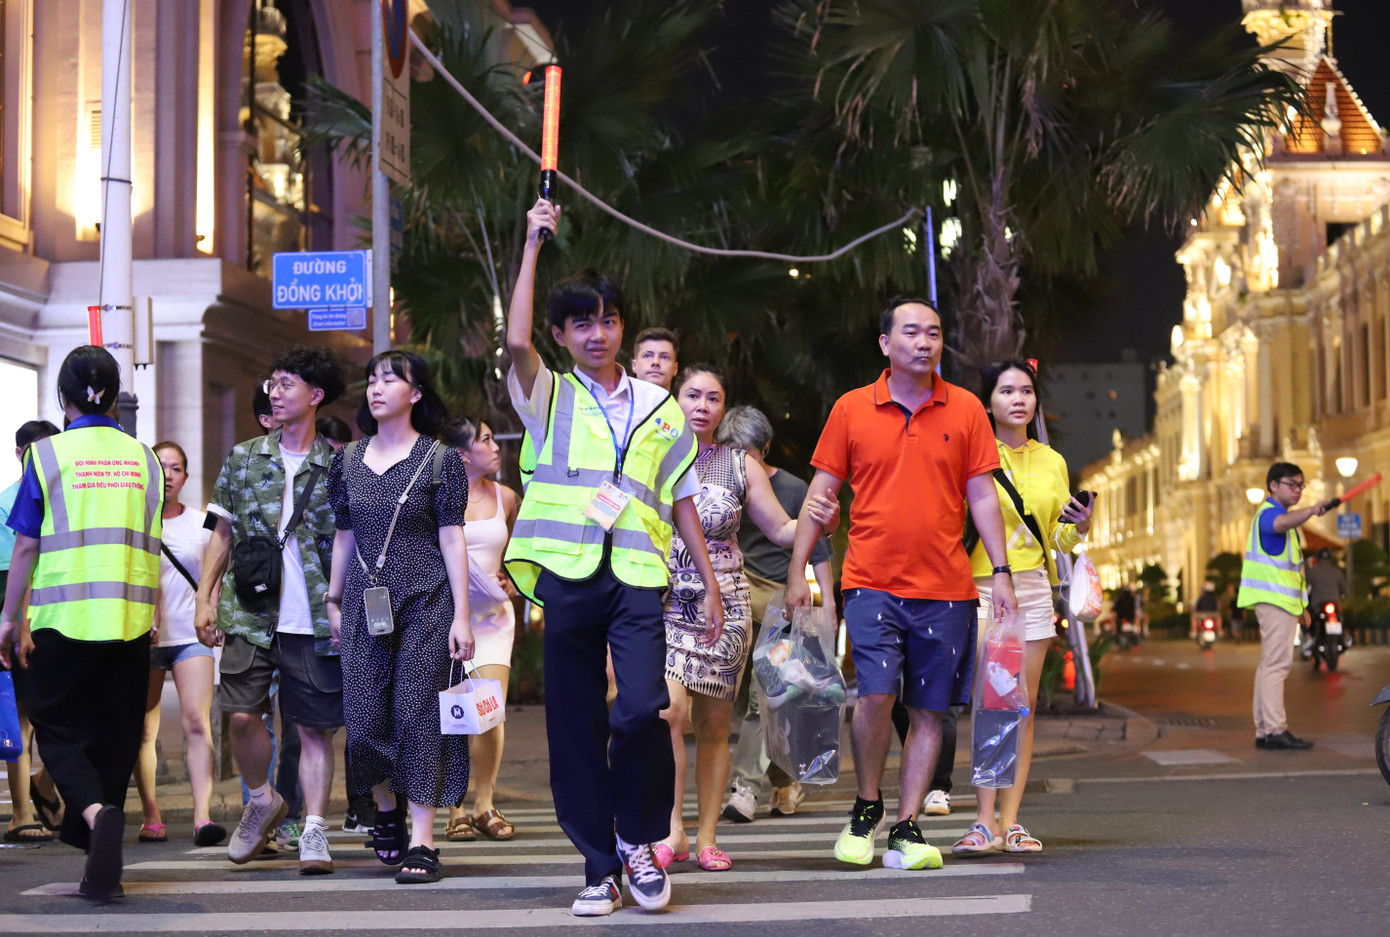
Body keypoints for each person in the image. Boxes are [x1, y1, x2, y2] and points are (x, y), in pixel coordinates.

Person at [503, 198, 722, 916]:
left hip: (637, 578)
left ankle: (638, 840)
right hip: (568, 576)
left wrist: (710, 583)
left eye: (609, 319)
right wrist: (533, 244)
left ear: (622, 326)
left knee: (641, 711)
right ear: (562, 334)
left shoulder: (661, 406)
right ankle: (598, 866)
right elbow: (512, 341)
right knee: (574, 725)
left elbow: (681, 495)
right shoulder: (549, 394)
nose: (598, 333)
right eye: (581, 322)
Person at [785, 297, 1017, 872]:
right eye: (911, 332)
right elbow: (821, 495)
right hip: (871, 581)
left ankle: (907, 827)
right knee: (876, 695)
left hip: (948, 588)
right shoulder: (851, 409)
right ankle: (867, 807)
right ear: (885, 344)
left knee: (929, 710)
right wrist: (797, 570)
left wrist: (1003, 570)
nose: (924, 342)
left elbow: (983, 495)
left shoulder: (965, 409)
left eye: (934, 333)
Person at [0, 346, 164, 900]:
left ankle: (94, 813)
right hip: (130, 619)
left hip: (62, 620)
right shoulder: (147, 459)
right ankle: (102, 867)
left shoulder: (45, 458)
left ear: (62, 399)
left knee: (60, 731)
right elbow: (151, 545)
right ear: (115, 397)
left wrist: (8, 617)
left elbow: (25, 547)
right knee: (116, 738)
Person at [657, 367, 836, 871]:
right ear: (676, 400)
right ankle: (673, 827)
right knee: (669, 713)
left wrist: (820, 517)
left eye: (713, 398)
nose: (702, 406)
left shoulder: (739, 464)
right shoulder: (652, 457)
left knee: (715, 725)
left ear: (723, 408)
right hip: (665, 601)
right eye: (692, 395)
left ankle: (708, 835)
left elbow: (781, 528)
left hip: (726, 605)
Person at [196, 345, 346, 874]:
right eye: (272, 383)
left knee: (312, 729)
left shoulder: (341, 465)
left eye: (286, 384)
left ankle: (313, 830)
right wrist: (204, 597)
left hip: (315, 619)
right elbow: (222, 533)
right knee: (239, 716)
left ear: (315, 395)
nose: (274, 392)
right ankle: (261, 801)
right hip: (249, 614)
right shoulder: (243, 457)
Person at [326, 350, 472, 885]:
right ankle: (384, 807)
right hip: (366, 602)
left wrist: (463, 615)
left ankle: (423, 840)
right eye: (371, 379)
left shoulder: (439, 460)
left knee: (416, 715)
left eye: (391, 379)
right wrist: (334, 599)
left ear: (416, 394)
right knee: (363, 723)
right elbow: (344, 533)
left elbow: (451, 537)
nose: (376, 387)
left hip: (428, 601)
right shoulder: (347, 461)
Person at [948, 359, 1093, 857]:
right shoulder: (972, 451)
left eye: (1027, 391)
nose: (1018, 399)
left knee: (1022, 708)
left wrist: (1081, 525)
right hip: (984, 585)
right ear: (988, 401)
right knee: (992, 702)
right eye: (1006, 391)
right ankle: (983, 821)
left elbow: (1055, 536)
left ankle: (1011, 822)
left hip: (1033, 588)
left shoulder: (1051, 461)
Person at [718, 405, 835, 824]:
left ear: (764, 449)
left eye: (747, 452)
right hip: (733, 597)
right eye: (730, 450)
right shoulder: (720, 484)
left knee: (765, 697)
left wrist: (831, 606)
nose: (739, 460)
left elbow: (817, 545)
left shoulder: (791, 487)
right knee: (759, 700)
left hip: (781, 599)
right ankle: (785, 782)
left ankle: (744, 788)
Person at [132, 442, 224, 847]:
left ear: (186, 476)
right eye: (161, 467)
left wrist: (213, 611)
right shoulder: (135, 521)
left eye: (177, 468)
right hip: (146, 639)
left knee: (195, 723)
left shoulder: (202, 522)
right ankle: (151, 814)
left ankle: (203, 817)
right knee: (143, 730)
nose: (169, 475)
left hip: (191, 635)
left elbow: (216, 573)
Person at [439, 417, 520, 843]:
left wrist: (513, 580)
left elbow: (525, 552)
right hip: (446, 618)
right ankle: (455, 808)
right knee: (455, 715)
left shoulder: (506, 497)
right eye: (485, 440)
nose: (494, 447)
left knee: (488, 712)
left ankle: (484, 804)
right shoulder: (436, 497)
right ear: (461, 454)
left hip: (492, 618)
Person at [1238, 462, 1328, 751]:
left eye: (1301, 485)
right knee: (1277, 666)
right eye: (1293, 484)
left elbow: (1290, 570)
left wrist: (1301, 606)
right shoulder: (1270, 515)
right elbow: (1279, 524)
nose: (1298, 490)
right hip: (1274, 601)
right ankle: (1275, 730)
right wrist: (1311, 511)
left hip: (1279, 602)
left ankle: (1265, 730)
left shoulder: (1279, 518)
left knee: (1269, 666)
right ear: (1273, 485)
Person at [1, 419, 61, 844]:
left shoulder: (65, 496)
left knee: (63, 714)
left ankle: (45, 785)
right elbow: (12, 572)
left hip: (60, 616)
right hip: (25, 621)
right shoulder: (7, 502)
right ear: (21, 453)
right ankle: (21, 811)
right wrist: (17, 626)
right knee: (21, 719)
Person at [631, 327, 679, 392]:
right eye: (647, 356)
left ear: (675, 368)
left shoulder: (680, 402)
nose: (655, 362)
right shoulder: (616, 401)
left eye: (664, 357)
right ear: (634, 365)